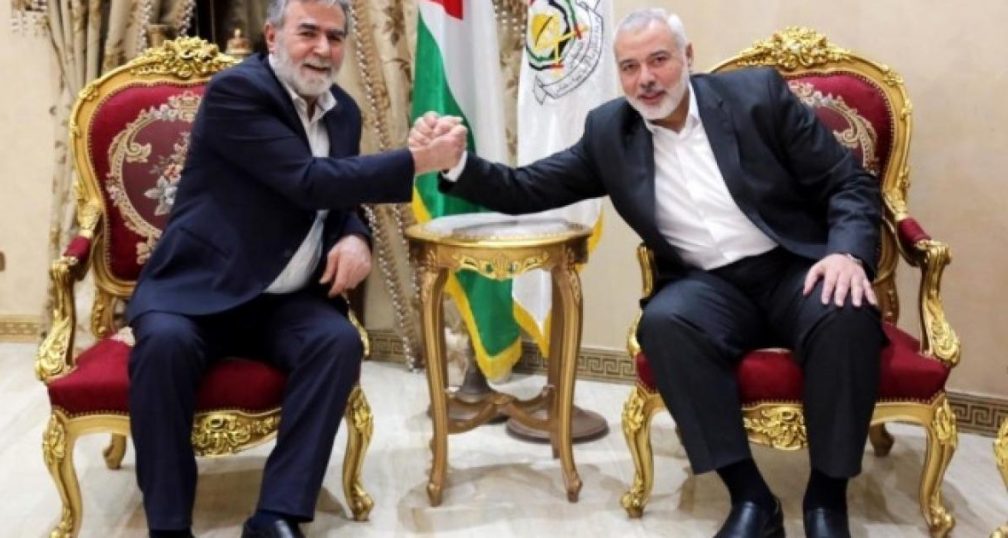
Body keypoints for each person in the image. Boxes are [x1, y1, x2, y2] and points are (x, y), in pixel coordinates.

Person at [411, 7, 883, 538]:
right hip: (711, 287)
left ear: (687, 57)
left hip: (793, 268)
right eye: (630, 67)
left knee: (846, 310)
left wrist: (846, 253)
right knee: (664, 322)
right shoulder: (610, 132)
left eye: (659, 60)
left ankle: (826, 502)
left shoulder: (756, 97)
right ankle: (752, 499)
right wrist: (456, 163)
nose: (646, 79)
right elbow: (527, 188)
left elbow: (848, 183)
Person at [125, 1, 463, 536]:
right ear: (272, 36)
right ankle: (168, 524)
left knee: (336, 342)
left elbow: (339, 199)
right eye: (308, 33)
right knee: (164, 347)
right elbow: (307, 181)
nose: (323, 49)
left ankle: (277, 514)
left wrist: (354, 236)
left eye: (335, 36)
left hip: (285, 300)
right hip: (198, 290)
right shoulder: (238, 92)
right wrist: (418, 161)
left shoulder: (344, 112)